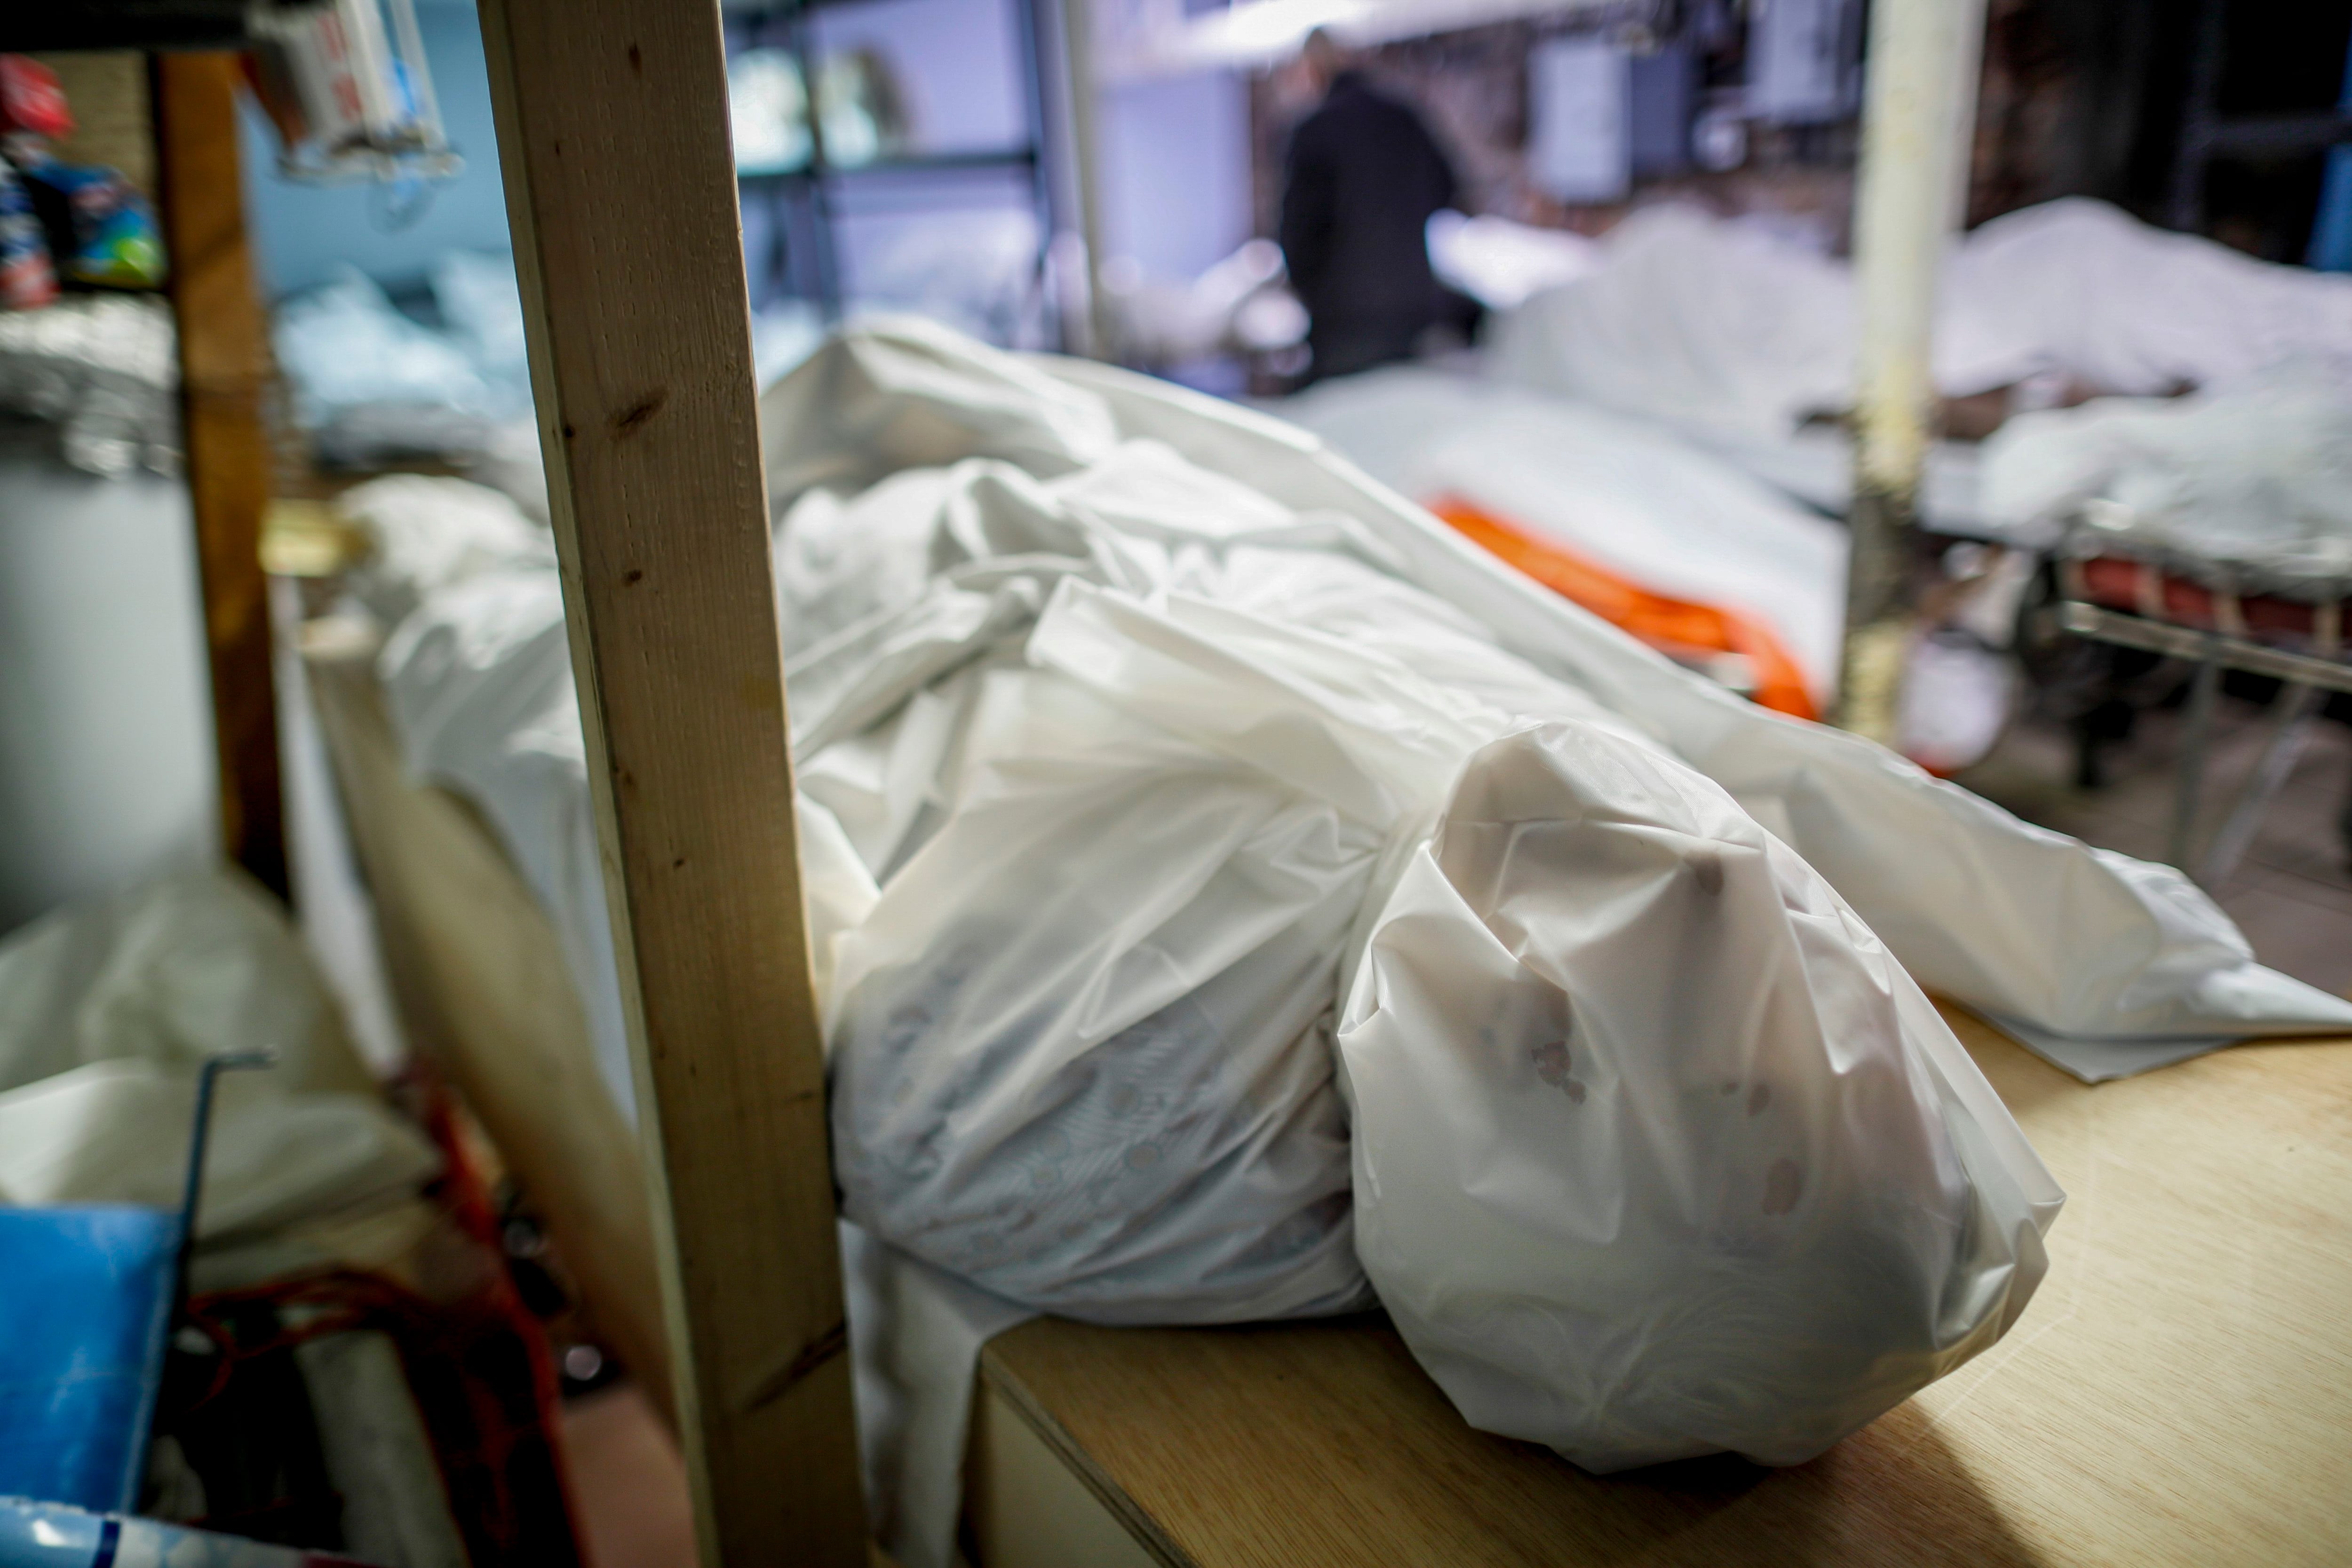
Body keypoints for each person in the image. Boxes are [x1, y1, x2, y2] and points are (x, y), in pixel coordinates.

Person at [1278, 32, 1466, 383]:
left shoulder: (1314, 131)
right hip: (1411, 309)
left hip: (1344, 317)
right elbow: (1448, 190)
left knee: (1349, 407)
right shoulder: (1404, 118)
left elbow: (1298, 234)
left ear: (1313, 71)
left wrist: (1310, 294)